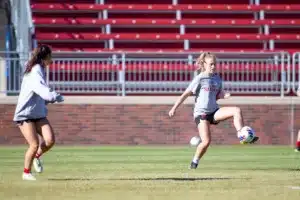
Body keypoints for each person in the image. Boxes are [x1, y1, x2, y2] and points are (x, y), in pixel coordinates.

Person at [168, 52, 259, 169]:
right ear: (204, 64)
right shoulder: (200, 78)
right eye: (211, 64)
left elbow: (216, 94)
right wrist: (174, 108)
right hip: (201, 114)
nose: (213, 66)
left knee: (236, 110)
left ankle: (241, 135)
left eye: (214, 64)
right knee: (206, 142)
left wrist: (223, 95)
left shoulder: (217, 78)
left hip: (214, 111)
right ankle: (195, 161)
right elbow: (186, 94)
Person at [13, 45, 64, 180]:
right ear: (45, 57)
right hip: (25, 114)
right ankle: (26, 173)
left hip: (38, 113)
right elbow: (42, 90)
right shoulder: (35, 71)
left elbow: (39, 94)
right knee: (34, 144)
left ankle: (37, 157)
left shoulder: (40, 69)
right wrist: (54, 96)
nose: (51, 59)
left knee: (50, 140)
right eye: (50, 56)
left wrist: (49, 99)